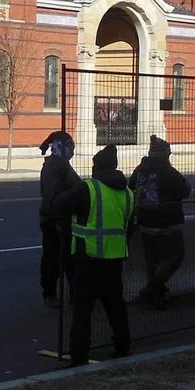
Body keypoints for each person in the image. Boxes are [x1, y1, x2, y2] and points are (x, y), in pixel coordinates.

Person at [55, 143, 132, 366]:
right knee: (116, 305)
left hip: (88, 258)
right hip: (115, 258)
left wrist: (61, 187)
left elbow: (60, 206)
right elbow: (130, 226)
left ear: (96, 168)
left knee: (82, 311)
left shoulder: (89, 189)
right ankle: (122, 346)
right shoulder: (127, 193)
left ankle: (78, 355)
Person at [128, 135, 190, 309]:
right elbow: (185, 191)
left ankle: (156, 294)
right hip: (167, 223)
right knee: (175, 256)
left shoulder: (140, 169)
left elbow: (131, 186)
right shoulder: (169, 172)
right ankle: (152, 287)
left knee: (152, 261)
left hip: (145, 222)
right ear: (165, 155)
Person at [38, 130, 85, 308]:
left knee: (54, 257)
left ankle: (53, 292)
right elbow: (78, 188)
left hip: (51, 218)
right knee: (63, 259)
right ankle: (62, 294)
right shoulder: (60, 166)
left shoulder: (52, 164)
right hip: (57, 220)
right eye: (70, 146)